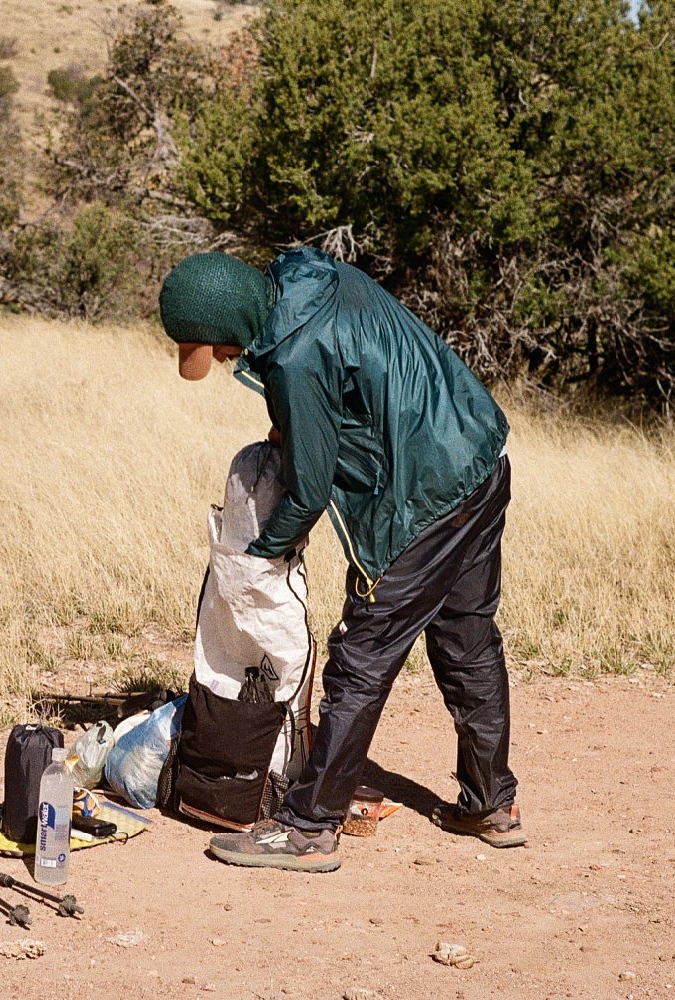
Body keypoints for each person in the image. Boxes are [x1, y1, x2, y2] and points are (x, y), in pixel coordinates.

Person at [157, 249, 523, 873]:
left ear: (226, 323)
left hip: (423, 498)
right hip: (478, 460)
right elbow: (356, 388)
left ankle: (307, 826)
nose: (219, 361)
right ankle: (491, 804)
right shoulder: (311, 275)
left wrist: (257, 558)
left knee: (361, 658)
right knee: (466, 639)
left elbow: (307, 490)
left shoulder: (295, 357)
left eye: (213, 349)